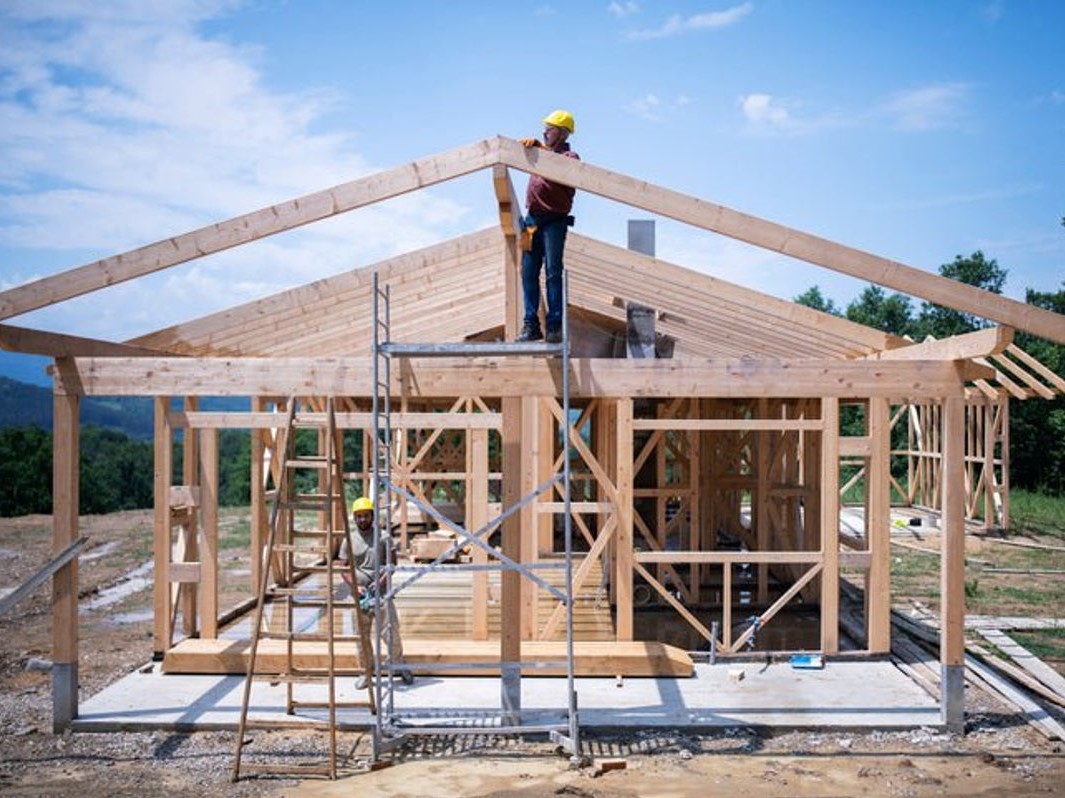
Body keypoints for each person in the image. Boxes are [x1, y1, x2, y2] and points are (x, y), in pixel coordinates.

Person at [516, 109, 580, 344]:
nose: (544, 132)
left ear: (562, 134)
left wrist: (541, 151)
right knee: (527, 271)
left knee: (553, 272)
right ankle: (531, 325)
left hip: (555, 221)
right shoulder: (539, 154)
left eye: (550, 129)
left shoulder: (570, 157)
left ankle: (554, 326)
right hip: (531, 221)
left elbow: (562, 168)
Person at [338, 496, 413, 688]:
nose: (362, 519)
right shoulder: (349, 539)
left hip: (382, 594)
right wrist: (355, 587)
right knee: (361, 635)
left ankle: (399, 664)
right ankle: (366, 672)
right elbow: (343, 567)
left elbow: (392, 563)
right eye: (359, 516)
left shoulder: (383, 537)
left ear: (372, 516)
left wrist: (381, 581)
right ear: (354, 518)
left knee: (390, 632)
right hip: (360, 596)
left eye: (366, 515)